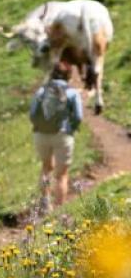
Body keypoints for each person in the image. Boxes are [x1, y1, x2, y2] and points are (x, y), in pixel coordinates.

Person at [29, 61, 83, 214]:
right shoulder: (72, 93)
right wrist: (71, 129)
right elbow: (78, 116)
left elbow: (32, 114)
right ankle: (60, 209)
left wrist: (39, 127)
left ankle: (45, 204)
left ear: (52, 74)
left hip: (41, 134)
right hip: (62, 135)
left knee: (46, 167)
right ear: (68, 76)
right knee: (62, 174)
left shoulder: (41, 91)